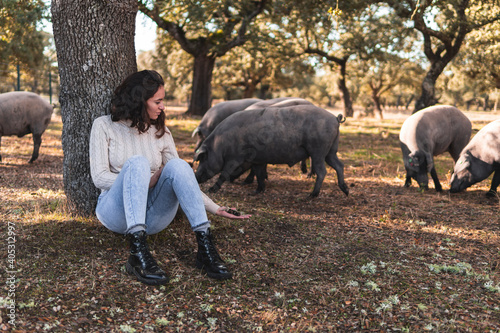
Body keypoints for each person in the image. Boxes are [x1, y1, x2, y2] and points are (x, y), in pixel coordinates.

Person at [89, 70, 250, 286]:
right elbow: (99, 178)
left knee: (178, 164)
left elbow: (182, 179)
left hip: (153, 216)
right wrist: (144, 181)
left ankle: (205, 248)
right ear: (139, 101)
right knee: (138, 163)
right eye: (158, 101)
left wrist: (214, 207)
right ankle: (137, 254)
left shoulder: (161, 132)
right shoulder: (104, 126)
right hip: (116, 213)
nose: (163, 106)